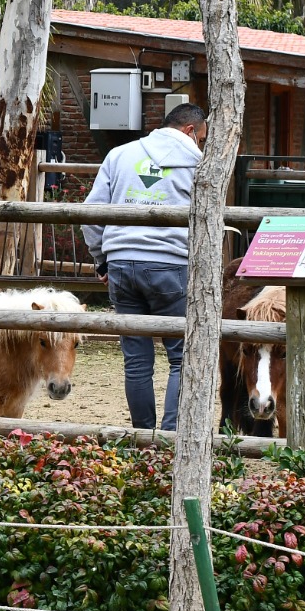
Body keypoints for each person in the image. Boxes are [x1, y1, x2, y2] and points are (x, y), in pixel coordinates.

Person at [81, 102, 209, 432]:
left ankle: (142, 437)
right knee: (182, 357)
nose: (200, 145)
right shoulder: (199, 164)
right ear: (190, 131)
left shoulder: (120, 155)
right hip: (172, 265)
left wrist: (102, 260)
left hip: (121, 264)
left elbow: (90, 214)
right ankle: (170, 437)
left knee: (136, 361)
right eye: (201, 138)